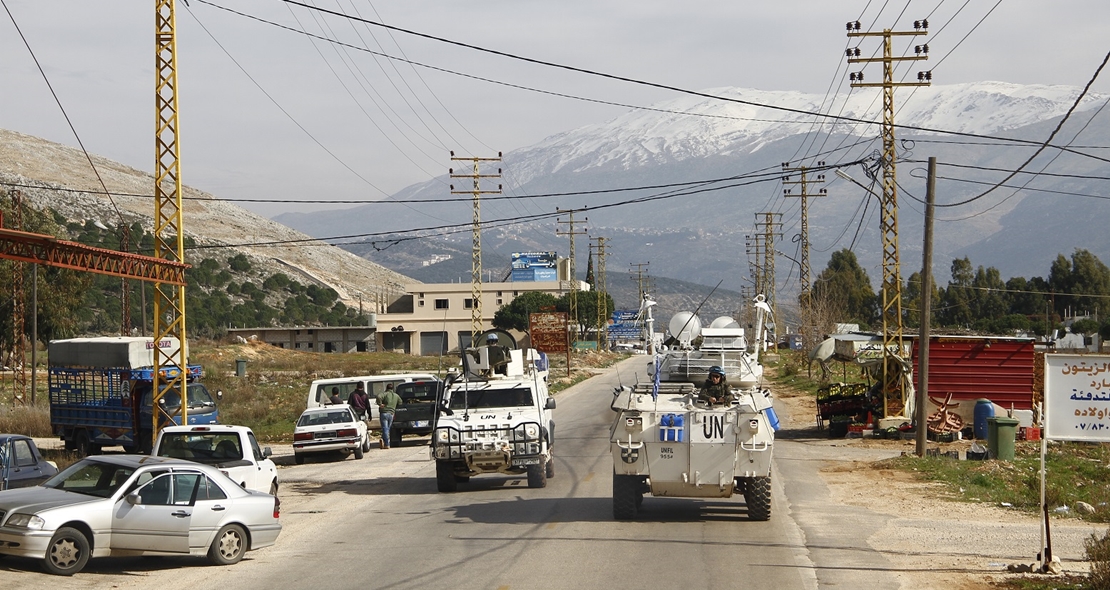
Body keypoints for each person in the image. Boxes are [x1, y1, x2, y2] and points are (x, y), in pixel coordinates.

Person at [378, 383, 402, 449]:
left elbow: (379, 397)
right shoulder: (396, 396)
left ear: (386, 388)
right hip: (391, 413)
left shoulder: (384, 394)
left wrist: (380, 404)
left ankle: (386, 443)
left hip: (384, 413)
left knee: (385, 428)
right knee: (387, 428)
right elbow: (400, 402)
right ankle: (383, 439)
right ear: (392, 389)